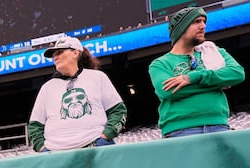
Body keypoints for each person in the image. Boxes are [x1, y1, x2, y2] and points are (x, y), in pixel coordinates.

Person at [148, 7, 245, 138]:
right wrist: (216, 82)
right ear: (181, 28)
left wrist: (193, 78)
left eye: (204, 21)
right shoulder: (159, 64)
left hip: (219, 125)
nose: (203, 26)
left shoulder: (215, 52)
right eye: (197, 21)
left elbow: (237, 73)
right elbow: (168, 91)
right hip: (180, 130)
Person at [29, 37, 127, 152]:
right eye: (53, 55)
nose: (55, 57)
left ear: (75, 53)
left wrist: (105, 137)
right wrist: (43, 149)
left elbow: (118, 111)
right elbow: (34, 126)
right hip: (57, 155)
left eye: (60, 52)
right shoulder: (47, 88)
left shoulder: (98, 77)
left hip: (96, 148)